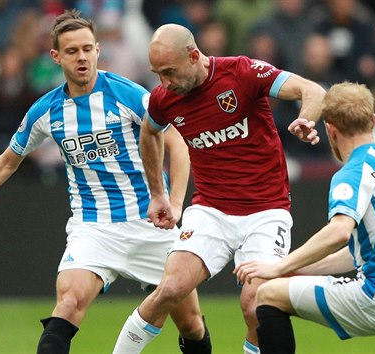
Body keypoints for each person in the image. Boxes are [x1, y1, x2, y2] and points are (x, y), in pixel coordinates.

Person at [0, 10, 211, 354]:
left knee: (192, 325)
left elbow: (176, 142)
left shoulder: (127, 94)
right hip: (92, 227)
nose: (81, 57)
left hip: (151, 224)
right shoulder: (46, 112)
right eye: (71, 51)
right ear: (56, 56)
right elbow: (8, 162)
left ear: (98, 50)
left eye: (86, 48)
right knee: (67, 304)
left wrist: (174, 202)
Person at [113, 23, 326, 354]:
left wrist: (307, 119)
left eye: (169, 71)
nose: (163, 82)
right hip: (210, 209)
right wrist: (158, 193)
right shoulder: (164, 99)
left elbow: (312, 90)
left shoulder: (241, 73)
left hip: (266, 212)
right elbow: (149, 132)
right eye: (157, 73)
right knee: (170, 288)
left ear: (194, 56)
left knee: (256, 304)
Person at [234, 82, 375, 354]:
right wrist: (296, 268)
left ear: (330, 129)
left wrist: (277, 269)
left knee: (267, 297)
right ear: (373, 120)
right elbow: (361, 251)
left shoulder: (352, 173)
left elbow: (339, 232)